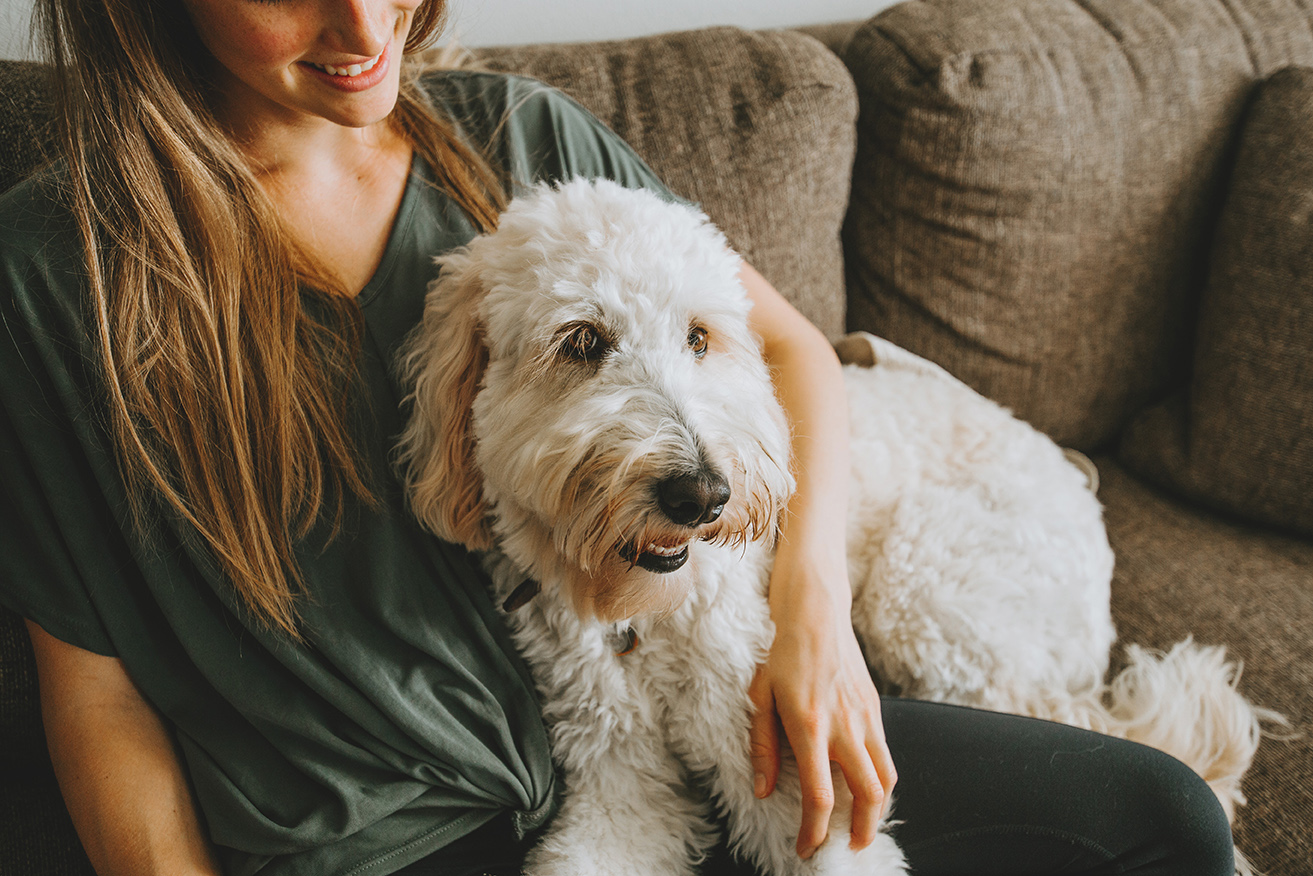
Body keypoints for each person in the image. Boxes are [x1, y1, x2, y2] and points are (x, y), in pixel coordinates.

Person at [0, 1, 1236, 875]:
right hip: (394, 831)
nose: (366, 28)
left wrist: (811, 621)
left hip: (682, 709)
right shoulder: (57, 276)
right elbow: (97, 696)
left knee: (1162, 822)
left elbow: (791, 353)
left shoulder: (522, 141)